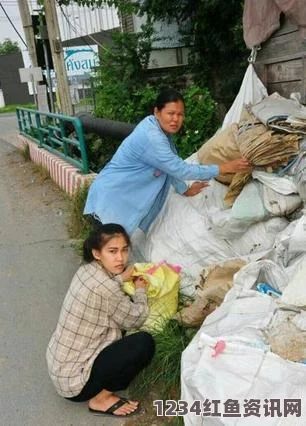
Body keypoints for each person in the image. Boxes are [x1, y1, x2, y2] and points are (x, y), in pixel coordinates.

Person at [84, 88, 250, 235]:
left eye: (180, 114)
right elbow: (179, 169)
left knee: (111, 252)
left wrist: (183, 189)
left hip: (117, 196)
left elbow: (166, 167)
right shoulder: (152, 137)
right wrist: (224, 167)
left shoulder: (157, 130)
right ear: (157, 112)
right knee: (108, 253)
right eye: (171, 113)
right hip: (111, 197)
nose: (175, 119)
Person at [46, 223, 154, 417]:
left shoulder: (85, 270)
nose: (120, 258)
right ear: (97, 253)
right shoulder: (107, 289)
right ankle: (101, 399)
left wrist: (120, 278)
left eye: (124, 250)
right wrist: (140, 291)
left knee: (117, 315)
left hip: (60, 367)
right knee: (143, 343)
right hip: (76, 384)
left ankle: (101, 388)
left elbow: (105, 288)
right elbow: (135, 319)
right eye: (112, 251)